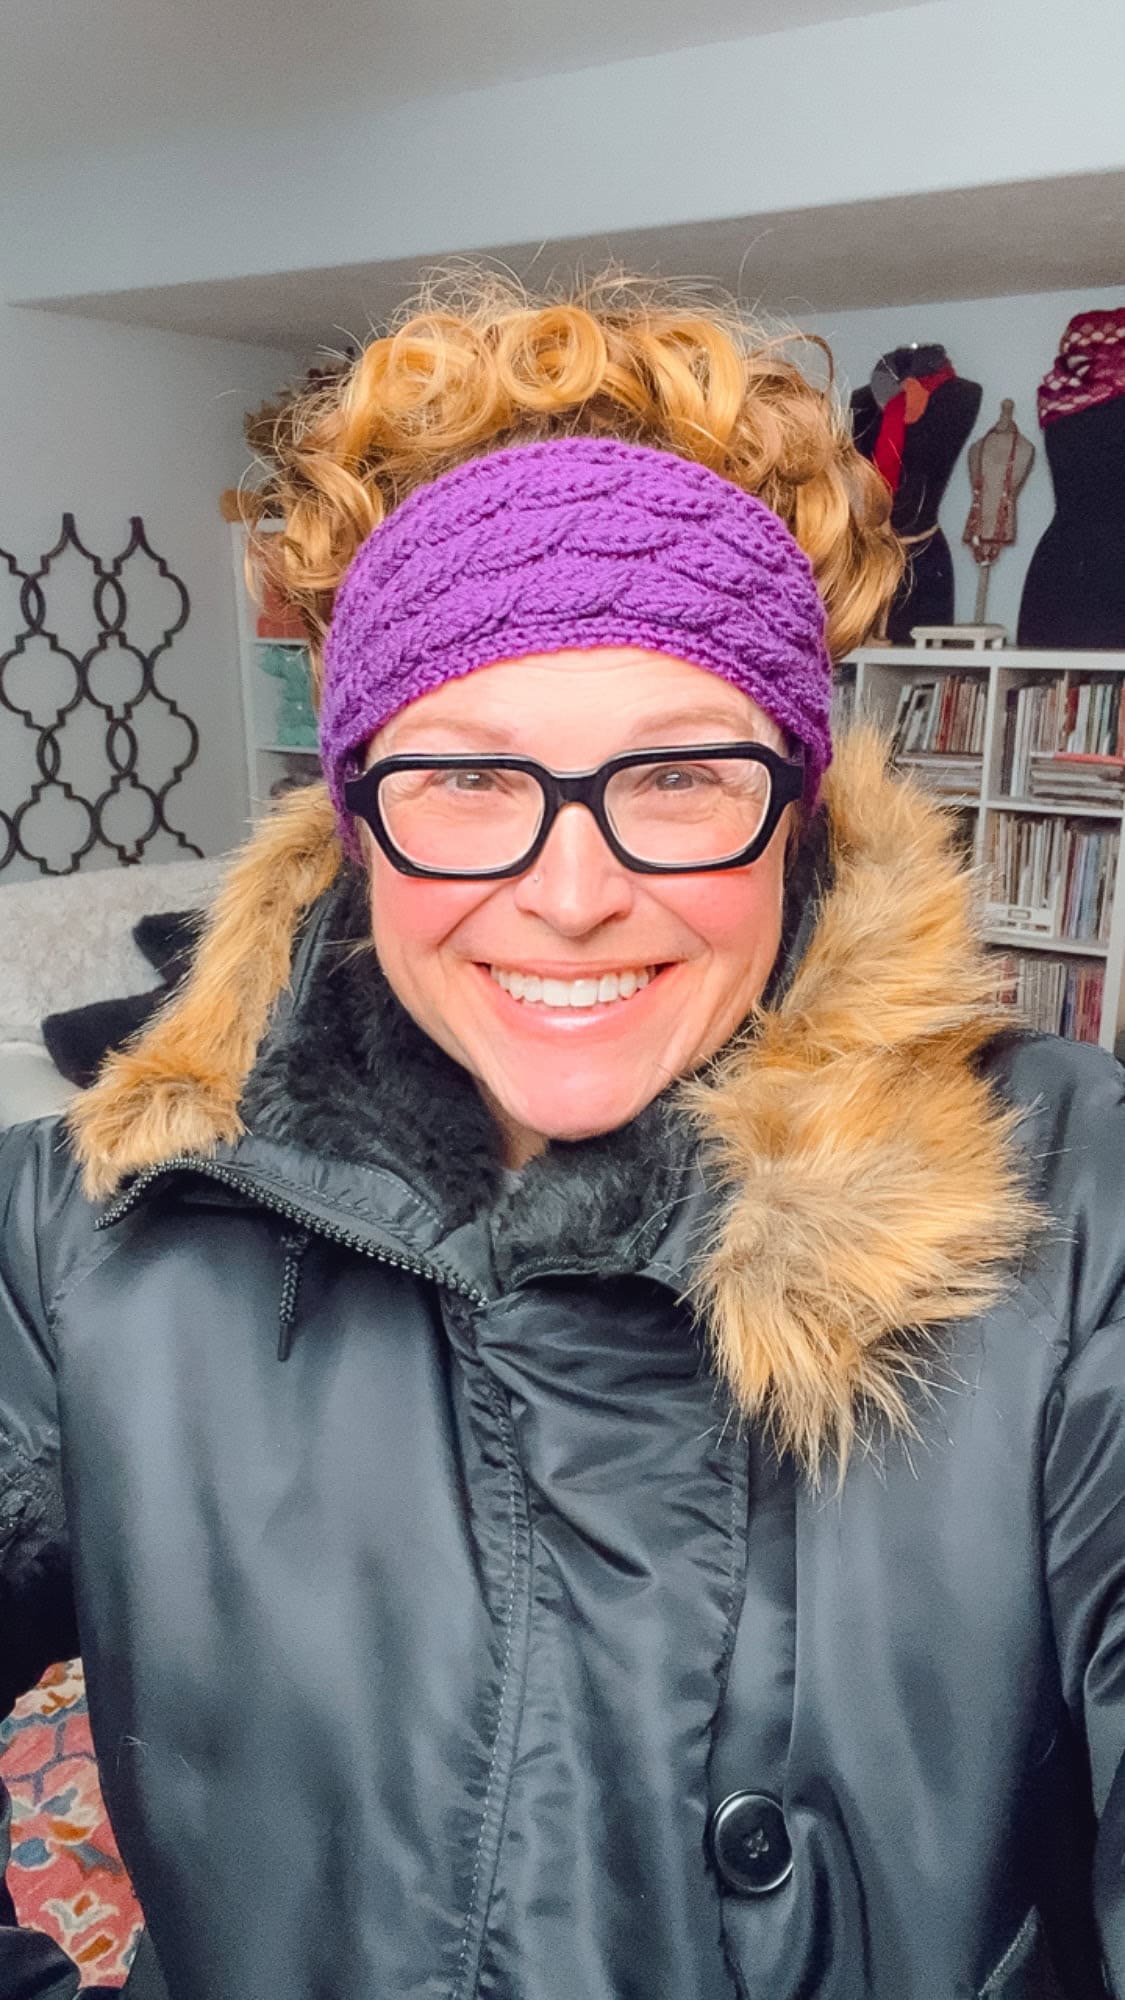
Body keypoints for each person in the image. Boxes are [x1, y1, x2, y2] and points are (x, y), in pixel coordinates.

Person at [1, 273, 1123, 2000]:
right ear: (357, 818)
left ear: (797, 803)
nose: (574, 895)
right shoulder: (83, 1235)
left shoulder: (1079, 1209)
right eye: (465, 779)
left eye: (677, 777)